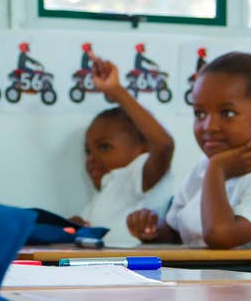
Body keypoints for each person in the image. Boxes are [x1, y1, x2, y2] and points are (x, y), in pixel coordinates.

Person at [126, 52, 251, 274]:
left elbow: (220, 236)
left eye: (227, 112)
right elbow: (174, 233)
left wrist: (217, 170)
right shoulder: (201, 170)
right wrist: (150, 229)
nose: (209, 126)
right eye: (199, 113)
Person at [70, 54, 175, 245]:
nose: (91, 159)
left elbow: (164, 145)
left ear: (144, 149)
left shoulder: (136, 175)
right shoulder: (105, 191)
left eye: (104, 147)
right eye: (88, 151)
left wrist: (117, 91)